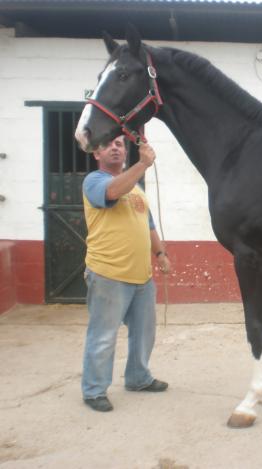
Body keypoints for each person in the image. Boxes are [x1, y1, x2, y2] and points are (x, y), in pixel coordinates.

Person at [81, 135, 171, 412]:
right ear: (97, 153)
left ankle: (138, 378)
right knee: (103, 335)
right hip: (108, 274)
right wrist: (142, 164)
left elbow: (149, 224)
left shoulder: (137, 189)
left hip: (141, 277)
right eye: (108, 144)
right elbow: (112, 192)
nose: (116, 147)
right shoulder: (94, 181)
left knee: (144, 333)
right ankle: (94, 390)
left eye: (120, 143)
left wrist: (161, 254)